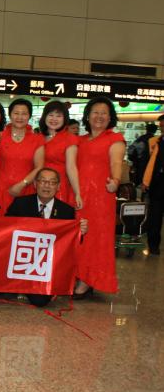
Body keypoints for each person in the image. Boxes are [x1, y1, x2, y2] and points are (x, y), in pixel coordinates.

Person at [6, 167, 88, 306]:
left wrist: (80, 232)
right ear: (35, 184)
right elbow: (5, 232)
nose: (47, 186)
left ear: (58, 187)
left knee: (40, 301)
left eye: (52, 182)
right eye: (43, 181)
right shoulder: (20, 204)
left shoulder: (66, 211)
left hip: (47, 265)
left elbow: (71, 244)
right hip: (20, 261)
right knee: (0, 289)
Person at [73, 97, 125, 298]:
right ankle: (78, 274)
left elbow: (116, 163)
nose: (99, 116)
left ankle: (88, 280)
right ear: (87, 115)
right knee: (78, 236)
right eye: (95, 112)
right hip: (78, 196)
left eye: (104, 113)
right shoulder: (80, 140)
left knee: (95, 238)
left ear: (110, 117)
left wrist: (115, 181)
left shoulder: (115, 138)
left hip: (100, 197)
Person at [0, 99, 44, 214]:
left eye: (24, 113)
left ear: (29, 116)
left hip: (26, 188)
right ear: (10, 115)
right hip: (0, 189)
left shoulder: (37, 139)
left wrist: (22, 184)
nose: (20, 117)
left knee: (23, 222)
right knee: (0, 222)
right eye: (16, 113)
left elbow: (39, 167)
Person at [39, 100, 82, 208]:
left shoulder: (69, 138)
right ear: (45, 117)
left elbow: (71, 167)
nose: (54, 119)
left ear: (64, 119)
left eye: (58, 116)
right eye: (51, 115)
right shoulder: (38, 137)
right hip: (38, 184)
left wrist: (77, 192)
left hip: (58, 186)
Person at [142, 114, 164, 255]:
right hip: (158, 184)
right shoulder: (155, 142)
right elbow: (148, 163)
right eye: (161, 125)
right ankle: (153, 246)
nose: (162, 128)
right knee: (155, 217)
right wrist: (145, 180)